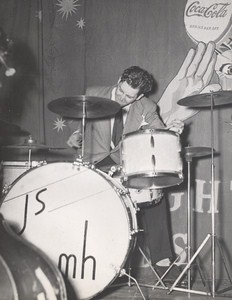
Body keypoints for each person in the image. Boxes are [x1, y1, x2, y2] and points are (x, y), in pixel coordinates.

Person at [67, 41, 221, 272]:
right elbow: (76, 119)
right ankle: (104, 261)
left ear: (138, 97)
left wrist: (174, 129)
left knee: (153, 194)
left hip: (125, 161)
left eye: (129, 97)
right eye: (121, 91)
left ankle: (163, 262)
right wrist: (75, 134)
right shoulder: (93, 93)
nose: (122, 98)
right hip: (95, 161)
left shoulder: (146, 106)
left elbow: (159, 132)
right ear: (120, 79)